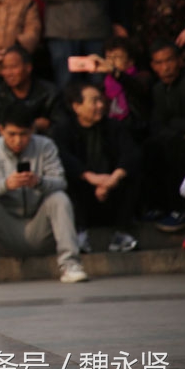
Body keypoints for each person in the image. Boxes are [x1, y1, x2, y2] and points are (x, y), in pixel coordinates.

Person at [0, 103, 88, 285]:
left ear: (32, 129)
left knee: (59, 198)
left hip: (39, 228)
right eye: (12, 134)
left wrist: (39, 182)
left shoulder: (45, 146)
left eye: (23, 134)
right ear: (1, 130)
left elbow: (61, 181)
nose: (18, 140)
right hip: (6, 230)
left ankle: (70, 264)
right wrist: (5, 184)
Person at [50, 81, 140, 254]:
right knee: (63, 180)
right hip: (83, 195)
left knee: (132, 173)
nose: (100, 105)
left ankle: (121, 233)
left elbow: (131, 153)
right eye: (94, 101)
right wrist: (90, 177)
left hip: (111, 192)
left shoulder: (114, 127)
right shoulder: (62, 130)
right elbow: (63, 158)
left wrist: (113, 178)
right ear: (76, 106)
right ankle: (79, 233)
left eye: (101, 100)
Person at [143, 42, 185, 231]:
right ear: (153, 66)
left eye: (169, 60)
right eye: (159, 63)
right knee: (150, 148)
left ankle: (182, 210)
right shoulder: (157, 90)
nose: (165, 67)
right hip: (175, 137)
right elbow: (158, 124)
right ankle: (158, 206)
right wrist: (178, 130)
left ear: (179, 60)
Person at [0, 47, 61, 134]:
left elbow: (61, 128)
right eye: (4, 68)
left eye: (13, 67)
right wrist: (32, 126)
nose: (8, 73)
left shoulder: (50, 93)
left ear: (28, 68)